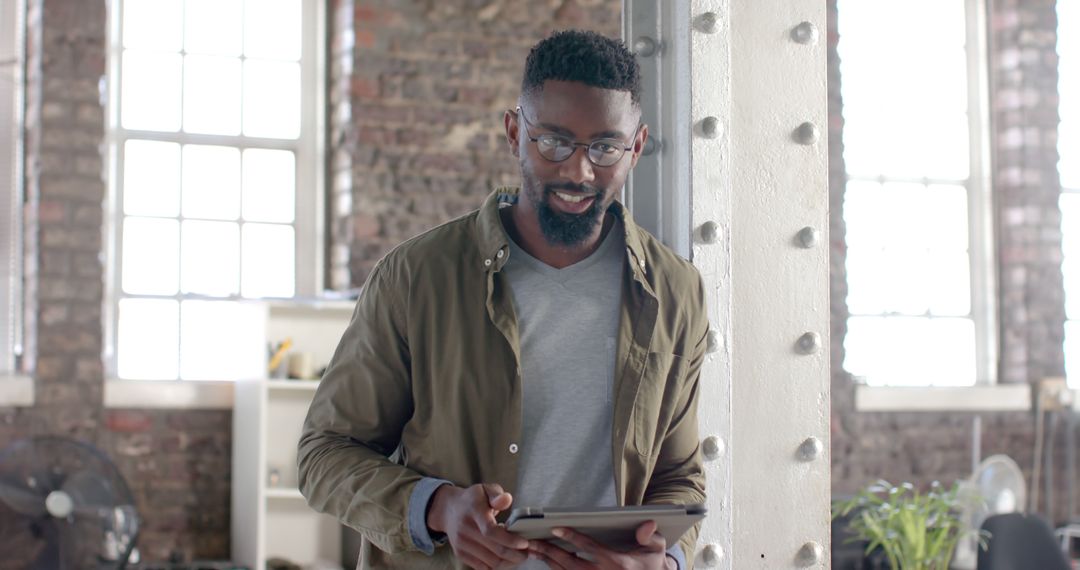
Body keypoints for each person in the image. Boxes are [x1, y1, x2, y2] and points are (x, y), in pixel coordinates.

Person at [298, 29, 708, 570]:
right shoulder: (415, 277)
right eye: (554, 141)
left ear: (636, 147)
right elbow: (324, 455)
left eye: (605, 147)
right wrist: (438, 508)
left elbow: (678, 476)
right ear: (515, 131)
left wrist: (668, 560)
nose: (579, 171)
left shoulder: (676, 291)